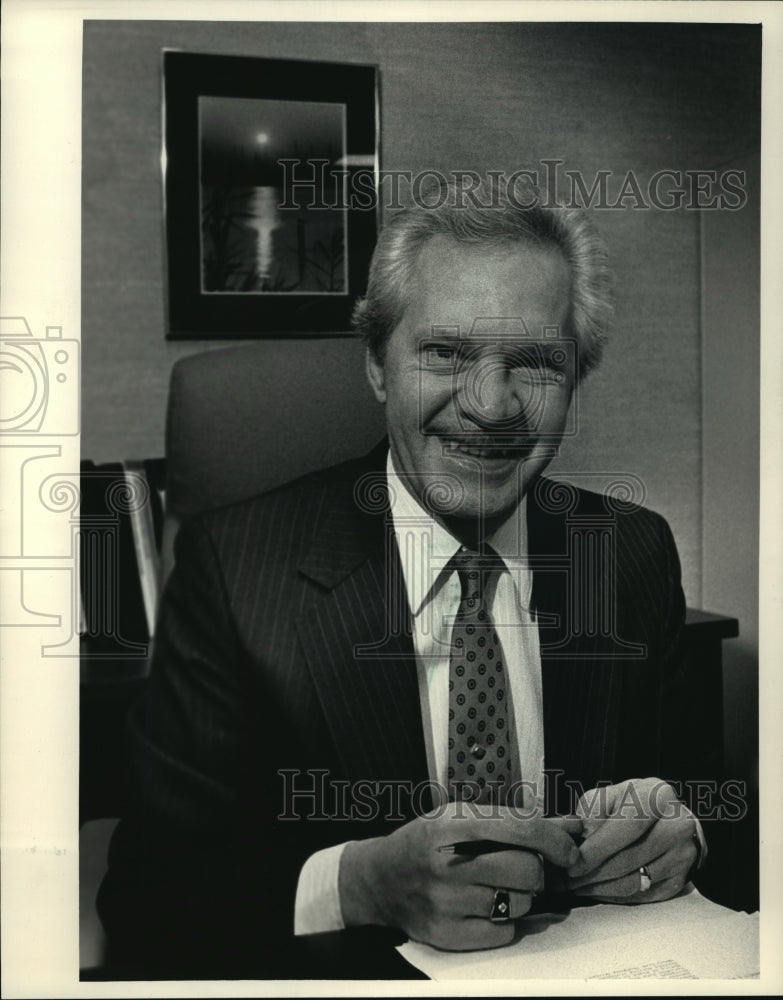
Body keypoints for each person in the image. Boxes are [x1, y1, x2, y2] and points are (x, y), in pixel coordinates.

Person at [98, 177, 713, 978]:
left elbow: (704, 799)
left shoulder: (628, 551)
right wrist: (359, 885)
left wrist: (682, 837)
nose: (490, 407)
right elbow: (147, 898)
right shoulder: (232, 571)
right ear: (378, 369)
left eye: (532, 363)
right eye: (446, 353)